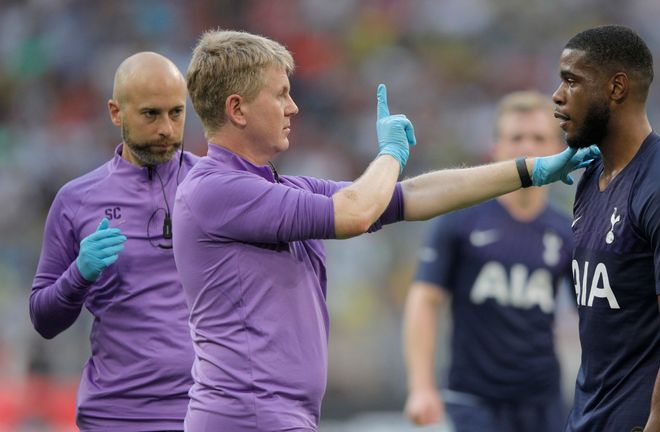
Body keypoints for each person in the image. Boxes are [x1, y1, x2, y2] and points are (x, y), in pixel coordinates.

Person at [173, 29, 598, 432]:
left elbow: (410, 196)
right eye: (280, 94)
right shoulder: (215, 189)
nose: (293, 107)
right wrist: (391, 151)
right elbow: (357, 212)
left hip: (276, 415)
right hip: (246, 417)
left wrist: (529, 171)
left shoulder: (276, 188)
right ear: (237, 108)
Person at [552, 25, 660, 431]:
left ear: (616, 88)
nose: (557, 96)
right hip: (590, 416)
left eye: (572, 81)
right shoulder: (592, 175)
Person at [29, 52, 198, 431]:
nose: (167, 129)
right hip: (116, 416)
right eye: (151, 114)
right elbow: (43, 319)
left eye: (176, 112)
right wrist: (78, 276)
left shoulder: (214, 186)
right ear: (115, 112)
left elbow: (309, 209)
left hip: (207, 412)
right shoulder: (76, 201)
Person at [402, 91, 575, 432]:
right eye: (516, 137)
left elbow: (593, 318)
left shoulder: (567, 232)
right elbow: (425, 299)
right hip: (473, 399)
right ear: (495, 148)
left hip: (543, 401)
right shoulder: (460, 221)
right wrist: (421, 387)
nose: (527, 146)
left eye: (539, 138)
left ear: (558, 150)